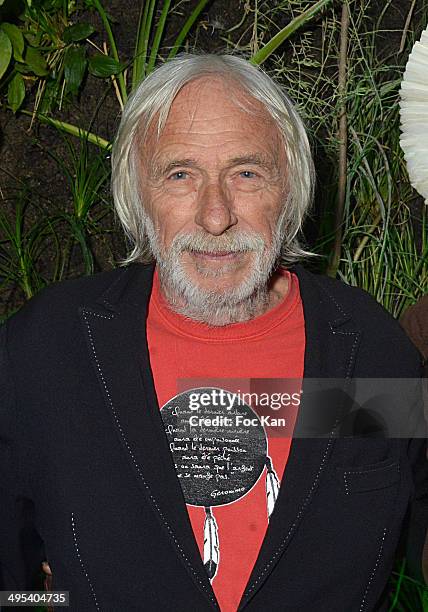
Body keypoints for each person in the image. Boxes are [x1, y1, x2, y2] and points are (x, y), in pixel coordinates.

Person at [0, 54, 426, 612]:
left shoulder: (369, 351)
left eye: (247, 173)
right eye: (180, 175)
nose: (216, 215)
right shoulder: (48, 352)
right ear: (138, 195)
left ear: (291, 189)